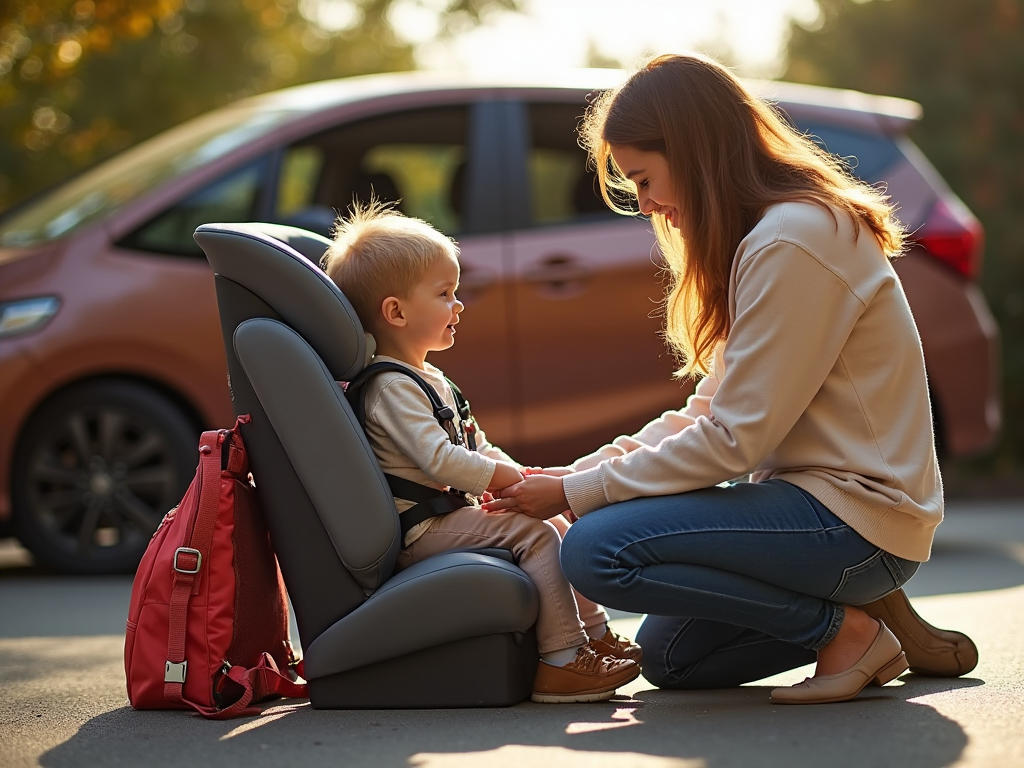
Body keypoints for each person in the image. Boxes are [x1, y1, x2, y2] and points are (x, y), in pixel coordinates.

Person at [482, 53, 978, 705]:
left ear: (691, 151)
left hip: (852, 517)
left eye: (644, 178)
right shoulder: (768, 238)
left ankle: (845, 629)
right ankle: (868, 613)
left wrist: (581, 491)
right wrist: (572, 474)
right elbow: (705, 410)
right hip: (815, 509)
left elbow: (733, 440)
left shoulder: (791, 242)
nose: (647, 204)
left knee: (598, 551)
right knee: (675, 659)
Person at [321, 201, 641, 703]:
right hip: (423, 530)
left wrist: (514, 475)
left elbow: (473, 443)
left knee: (556, 524)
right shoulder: (390, 387)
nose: (459, 305)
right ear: (396, 312)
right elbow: (439, 460)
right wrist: (502, 480)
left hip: (453, 515)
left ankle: (597, 637)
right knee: (536, 535)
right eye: (445, 294)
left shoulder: (429, 378)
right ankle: (561, 660)